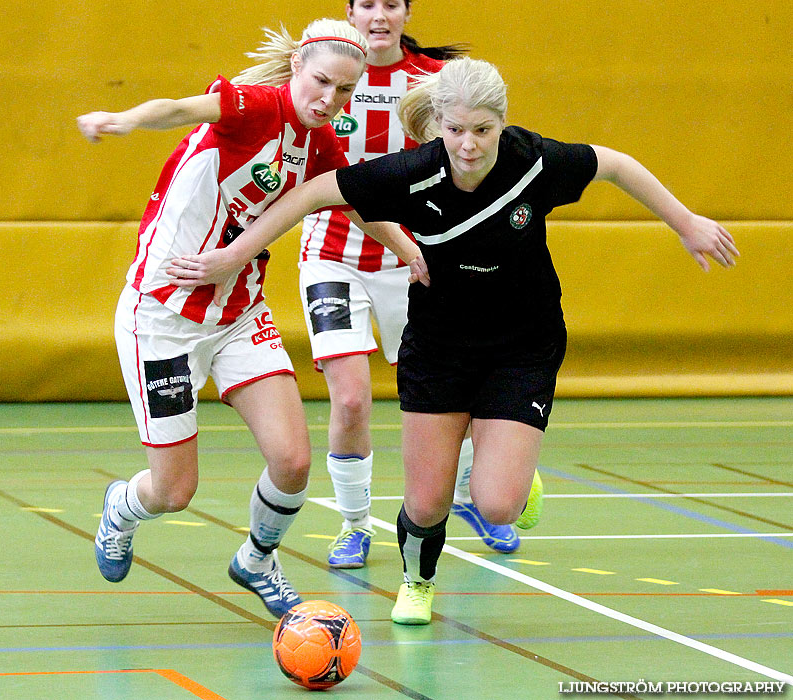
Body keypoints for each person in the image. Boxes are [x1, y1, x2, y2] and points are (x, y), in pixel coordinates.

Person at [165, 57, 739, 624]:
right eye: (457, 130)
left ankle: (507, 460)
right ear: (439, 124)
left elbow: (615, 165)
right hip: (439, 350)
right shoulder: (409, 174)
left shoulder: (535, 162)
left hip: (523, 346)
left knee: (497, 504)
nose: (469, 145)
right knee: (426, 503)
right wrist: (234, 255)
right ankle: (417, 582)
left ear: (503, 124)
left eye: (484, 130)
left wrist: (685, 222)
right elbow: (313, 193)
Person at [76, 19, 422, 619]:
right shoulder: (254, 107)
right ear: (296, 69)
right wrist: (126, 119)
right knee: (173, 491)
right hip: (161, 317)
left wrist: (410, 250)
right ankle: (122, 508)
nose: (330, 101)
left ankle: (257, 561)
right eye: (321, 83)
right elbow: (182, 108)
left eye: (345, 91)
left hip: (239, 313)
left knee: (292, 462)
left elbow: (358, 202)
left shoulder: (320, 144)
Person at [299, 0, 521, 569]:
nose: (378, 15)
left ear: (406, 11)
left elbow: (476, 160)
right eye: (366, 3)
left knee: (451, 393)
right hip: (332, 257)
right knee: (349, 398)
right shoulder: (322, 75)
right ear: (348, 11)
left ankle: (474, 492)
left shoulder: (433, 83)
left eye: (390, 4)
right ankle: (355, 525)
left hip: (415, 261)